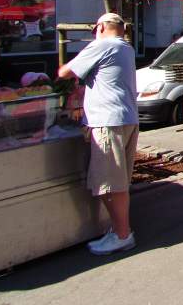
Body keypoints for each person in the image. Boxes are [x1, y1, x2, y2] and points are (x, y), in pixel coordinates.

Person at [57, 13, 138, 256]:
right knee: (119, 183)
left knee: (108, 184)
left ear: (101, 27)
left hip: (107, 121)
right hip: (127, 118)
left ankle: (123, 234)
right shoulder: (127, 48)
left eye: (95, 29)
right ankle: (119, 231)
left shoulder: (102, 45)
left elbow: (64, 73)